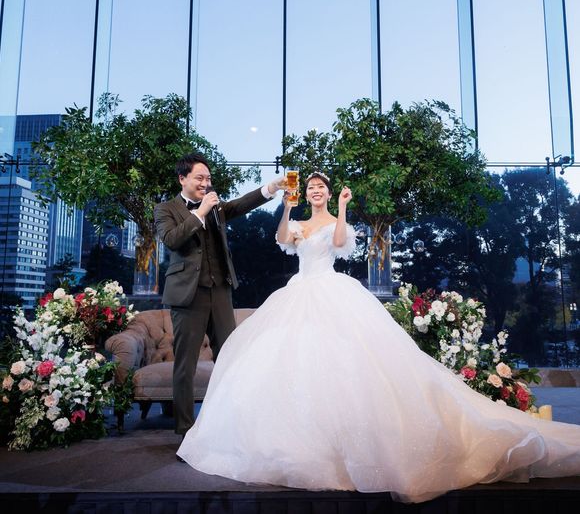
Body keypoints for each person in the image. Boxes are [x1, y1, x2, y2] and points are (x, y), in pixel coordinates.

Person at [176, 171, 580, 503]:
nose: (315, 191)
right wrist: (284, 207)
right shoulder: (298, 223)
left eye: (320, 187)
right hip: (298, 293)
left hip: (331, 290)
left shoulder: (334, 220)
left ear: (327, 193)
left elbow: (339, 244)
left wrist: (343, 208)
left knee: (348, 363)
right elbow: (283, 239)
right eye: (311, 187)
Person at [154, 152, 284, 442]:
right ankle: (186, 432)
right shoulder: (166, 209)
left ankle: (230, 424)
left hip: (220, 291)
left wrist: (271, 188)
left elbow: (240, 205)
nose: (205, 183)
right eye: (199, 178)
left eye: (208, 178)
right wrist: (199, 213)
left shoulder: (214, 206)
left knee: (230, 359)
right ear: (182, 178)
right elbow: (172, 240)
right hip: (187, 296)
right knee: (185, 366)